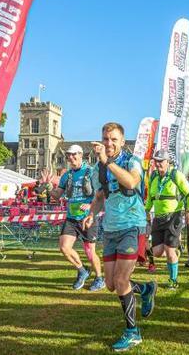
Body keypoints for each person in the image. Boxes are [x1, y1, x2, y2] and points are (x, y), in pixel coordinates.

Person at [82, 122, 157, 351]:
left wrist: (108, 162)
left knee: (122, 281)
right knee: (112, 285)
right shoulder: (99, 169)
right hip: (111, 228)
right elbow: (100, 195)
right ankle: (145, 289)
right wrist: (92, 214)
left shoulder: (130, 161)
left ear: (123, 141)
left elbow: (132, 181)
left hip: (132, 225)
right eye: (106, 139)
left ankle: (132, 332)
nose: (109, 143)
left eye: (114, 139)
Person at [50, 144, 104, 292]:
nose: (71, 158)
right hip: (71, 217)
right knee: (64, 247)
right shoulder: (66, 175)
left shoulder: (91, 172)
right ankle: (82, 271)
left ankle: (99, 278)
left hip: (88, 218)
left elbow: (100, 194)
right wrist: (47, 186)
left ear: (81, 155)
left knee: (90, 252)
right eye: (69, 155)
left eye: (74, 155)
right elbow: (57, 195)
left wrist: (90, 206)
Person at [145, 149, 189, 288]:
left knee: (169, 251)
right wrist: (146, 210)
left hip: (174, 216)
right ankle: (175, 251)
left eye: (161, 161)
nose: (158, 164)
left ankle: (173, 281)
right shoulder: (153, 176)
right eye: (156, 161)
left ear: (168, 162)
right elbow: (150, 197)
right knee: (157, 252)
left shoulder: (175, 175)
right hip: (158, 219)